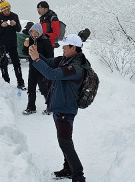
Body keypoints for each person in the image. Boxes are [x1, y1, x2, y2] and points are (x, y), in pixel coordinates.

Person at [28, 34, 89, 182]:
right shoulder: (64, 59)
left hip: (66, 109)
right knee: (65, 140)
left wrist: (36, 59)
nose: (62, 47)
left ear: (73, 48)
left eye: (65, 45)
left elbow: (51, 74)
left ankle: (78, 175)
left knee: (64, 141)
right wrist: (36, 53)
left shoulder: (76, 67)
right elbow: (48, 63)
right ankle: (68, 169)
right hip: (59, 107)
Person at [22, 23, 54, 115]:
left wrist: (39, 56)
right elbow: (25, 53)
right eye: (32, 32)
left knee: (44, 89)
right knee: (31, 89)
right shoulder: (30, 40)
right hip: (32, 68)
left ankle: (50, 107)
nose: (34, 34)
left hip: (42, 69)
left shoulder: (45, 41)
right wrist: (25, 46)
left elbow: (50, 57)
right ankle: (31, 107)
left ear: (40, 32)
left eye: (36, 32)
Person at [0, 0, 25, 89]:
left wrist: (15, 25)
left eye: (8, 10)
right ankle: (6, 81)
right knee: (3, 63)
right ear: (1, 11)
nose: (7, 12)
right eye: (5, 10)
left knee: (16, 63)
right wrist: (1, 26)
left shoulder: (14, 16)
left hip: (12, 43)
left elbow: (19, 29)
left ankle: (20, 82)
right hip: (2, 44)